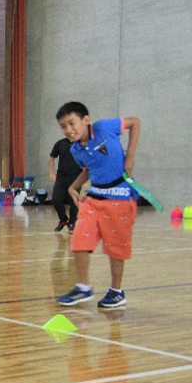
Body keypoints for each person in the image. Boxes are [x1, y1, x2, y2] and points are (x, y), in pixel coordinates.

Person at [55, 102, 140, 308]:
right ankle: (83, 288)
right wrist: (73, 188)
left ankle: (116, 292)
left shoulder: (104, 127)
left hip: (119, 197)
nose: (68, 129)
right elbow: (89, 169)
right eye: (63, 126)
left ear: (86, 120)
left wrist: (130, 158)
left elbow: (135, 123)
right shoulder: (76, 149)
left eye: (71, 123)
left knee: (116, 247)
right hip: (94, 198)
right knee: (80, 238)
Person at [48, 136, 82, 233]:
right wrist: (52, 173)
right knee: (56, 199)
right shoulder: (60, 143)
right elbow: (51, 158)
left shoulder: (81, 144)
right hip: (61, 178)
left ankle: (72, 223)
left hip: (76, 178)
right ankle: (63, 219)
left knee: (73, 201)